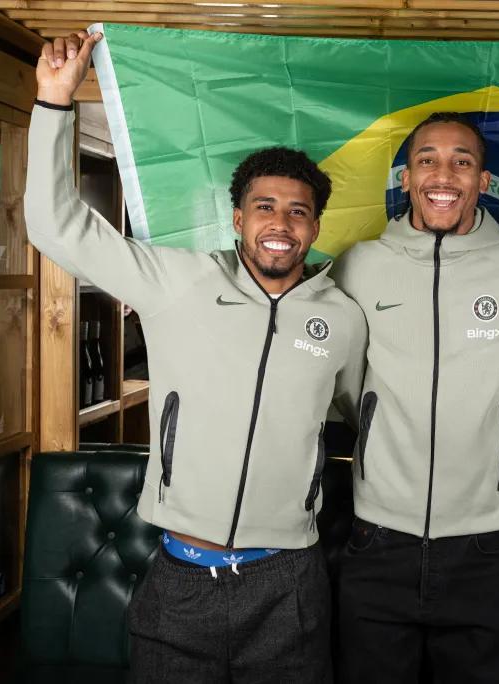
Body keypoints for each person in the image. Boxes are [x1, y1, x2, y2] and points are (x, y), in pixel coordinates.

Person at [27, 30, 367, 683]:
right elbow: (54, 224)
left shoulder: (342, 317)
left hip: (291, 583)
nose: (281, 223)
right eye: (264, 207)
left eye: (298, 211)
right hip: (181, 578)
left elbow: (357, 408)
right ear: (237, 219)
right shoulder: (176, 281)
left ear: (315, 227)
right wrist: (53, 102)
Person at [330, 112, 499, 683]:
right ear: (406, 178)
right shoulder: (359, 266)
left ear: (484, 180)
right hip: (377, 537)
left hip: (488, 543)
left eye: (462, 161)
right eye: (427, 159)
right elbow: (336, 371)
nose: (444, 174)